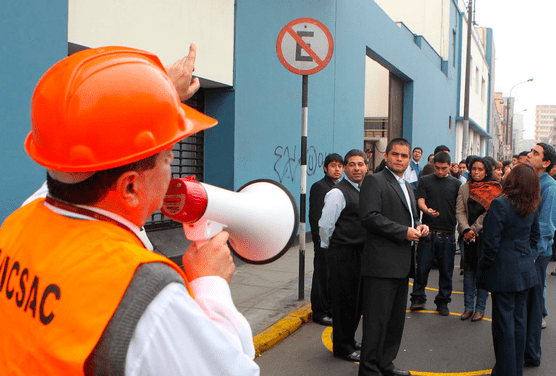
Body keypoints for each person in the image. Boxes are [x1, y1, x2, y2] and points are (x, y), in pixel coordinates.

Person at [0, 46, 259, 374]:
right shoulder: (146, 294)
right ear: (131, 187)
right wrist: (210, 284)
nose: (173, 171)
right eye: (168, 159)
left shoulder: (20, 222)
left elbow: (74, 154)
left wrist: (155, 95)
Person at [22, 43, 202, 206]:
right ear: (130, 187)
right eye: (165, 157)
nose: (170, 159)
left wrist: (162, 92)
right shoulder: (109, 236)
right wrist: (163, 92)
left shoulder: (27, 220)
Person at [358, 138, 429, 376]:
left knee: (395, 322)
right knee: (376, 321)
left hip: (402, 264)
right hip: (380, 264)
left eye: (404, 156)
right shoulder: (374, 181)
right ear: (386, 156)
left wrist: (419, 227)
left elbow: (409, 218)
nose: (400, 159)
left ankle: (385, 364)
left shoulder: (407, 185)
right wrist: (404, 232)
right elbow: (369, 217)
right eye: (395, 154)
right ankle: (369, 370)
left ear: (410, 159)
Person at [477, 163, 541, 376]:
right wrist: (526, 257)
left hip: (503, 272)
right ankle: (514, 370)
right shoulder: (532, 204)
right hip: (524, 271)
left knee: (503, 326)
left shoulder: (500, 205)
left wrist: (484, 267)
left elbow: (490, 244)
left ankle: (505, 371)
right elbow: (535, 237)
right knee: (519, 323)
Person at [319, 150, 367, 362]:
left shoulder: (361, 190)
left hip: (358, 253)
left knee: (355, 302)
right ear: (346, 168)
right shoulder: (337, 193)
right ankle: (342, 347)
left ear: (367, 167)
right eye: (352, 164)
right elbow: (325, 225)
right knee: (343, 302)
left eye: (360, 164)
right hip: (342, 253)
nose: (357, 168)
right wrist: (333, 246)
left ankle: (348, 339)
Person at [524, 143, 556, 366]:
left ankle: (531, 354)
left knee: (533, 305)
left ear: (546, 163)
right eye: (531, 151)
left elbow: (546, 229)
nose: (530, 155)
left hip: (536, 255)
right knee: (526, 305)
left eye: (535, 153)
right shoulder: (533, 183)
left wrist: (533, 256)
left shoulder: (550, 188)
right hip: (527, 253)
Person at [409, 151, 461, 316]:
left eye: (443, 168)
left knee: (447, 271)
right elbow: (421, 200)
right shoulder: (425, 180)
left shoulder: (457, 184)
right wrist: (426, 210)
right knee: (422, 269)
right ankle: (417, 299)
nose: (440, 171)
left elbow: (460, 207)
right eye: (437, 168)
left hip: (448, 233)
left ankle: (443, 302)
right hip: (428, 232)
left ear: (450, 166)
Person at [456, 156, 502, 321]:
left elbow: (490, 212)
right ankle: (468, 307)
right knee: (468, 272)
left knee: (482, 272)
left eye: (480, 169)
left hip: (485, 236)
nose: (476, 172)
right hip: (467, 236)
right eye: (473, 169)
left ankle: (480, 309)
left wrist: (474, 229)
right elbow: (460, 211)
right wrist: (466, 229)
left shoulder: (495, 188)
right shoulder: (464, 187)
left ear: (487, 171)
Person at [309, 153, 344, 326]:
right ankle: (319, 312)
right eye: (333, 165)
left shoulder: (340, 187)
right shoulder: (320, 187)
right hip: (324, 241)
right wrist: (322, 241)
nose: (337, 169)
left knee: (333, 277)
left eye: (340, 166)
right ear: (325, 168)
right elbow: (315, 216)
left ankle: (330, 309)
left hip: (337, 241)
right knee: (322, 277)